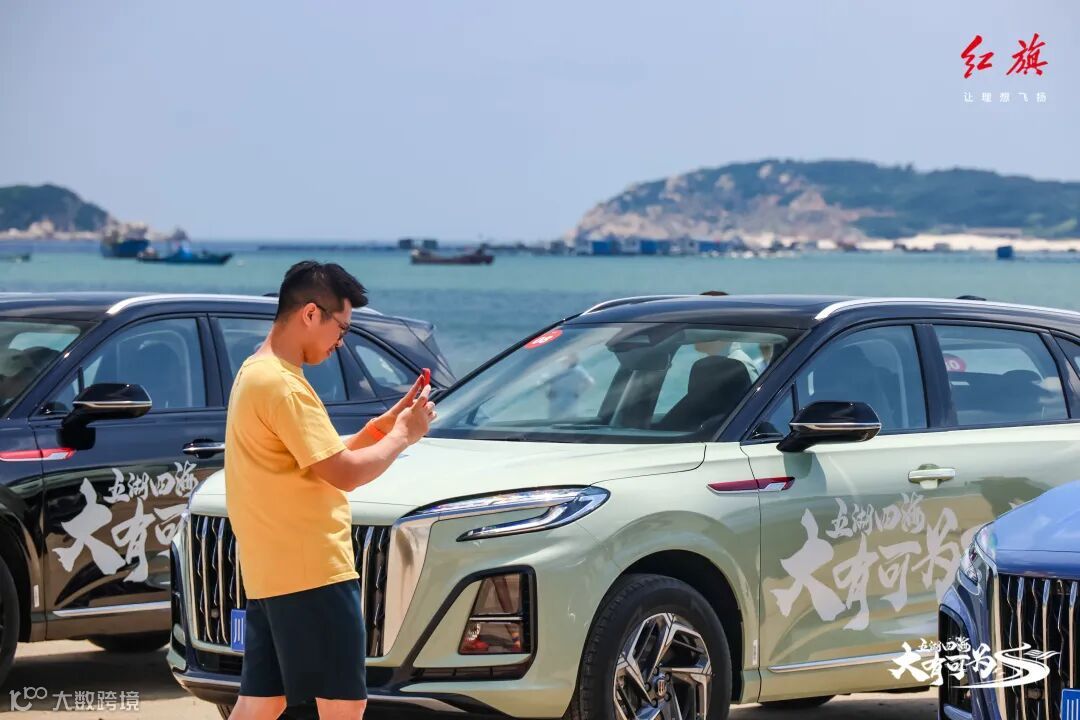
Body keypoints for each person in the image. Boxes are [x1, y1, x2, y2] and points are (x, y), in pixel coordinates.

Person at [226, 261, 434, 720]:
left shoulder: (256, 372)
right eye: (341, 328)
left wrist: (382, 428)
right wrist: (404, 437)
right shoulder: (284, 386)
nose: (341, 341)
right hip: (312, 573)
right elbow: (344, 474)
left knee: (262, 703)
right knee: (343, 704)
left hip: (272, 572)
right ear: (310, 314)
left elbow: (316, 459)